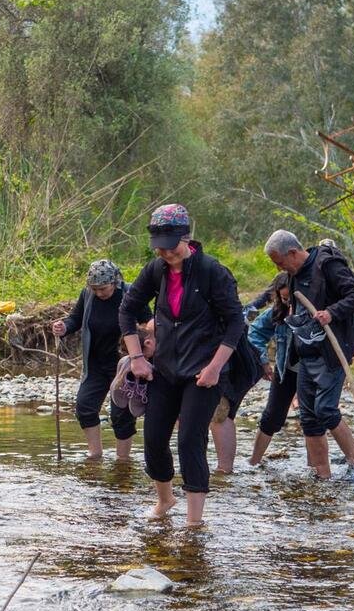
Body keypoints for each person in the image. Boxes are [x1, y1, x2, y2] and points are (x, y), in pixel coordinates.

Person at [119, 204, 245, 526]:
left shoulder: (212, 272)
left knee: (190, 439)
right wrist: (136, 358)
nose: (165, 252)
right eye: (159, 246)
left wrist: (216, 367)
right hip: (164, 369)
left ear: (186, 238)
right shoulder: (155, 270)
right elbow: (127, 310)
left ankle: (194, 521)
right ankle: (165, 499)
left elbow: (234, 323)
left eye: (171, 245)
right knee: (153, 439)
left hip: (202, 372)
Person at [265, 229, 354, 482]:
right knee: (308, 416)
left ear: (292, 252)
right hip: (306, 352)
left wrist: (331, 312)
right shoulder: (293, 275)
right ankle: (322, 475)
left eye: (280, 262)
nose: (280, 267)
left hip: (332, 351)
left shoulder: (327, 264)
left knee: (326, 410)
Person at [51, 259, 151, 461]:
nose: (99, 293)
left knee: (121, 415)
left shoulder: (130, 294)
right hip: (95, 364)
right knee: (84, 407)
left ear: (115, 282)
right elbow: (75, 319)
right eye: (94, 288)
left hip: (124, 366)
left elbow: (147, 323)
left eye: (103, 289)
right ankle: (94, 454)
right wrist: (63, 328)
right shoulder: (87, 295)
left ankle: (123, 460)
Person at [246, 273, 298, 465]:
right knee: (271, 417)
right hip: (285, 370)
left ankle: (317, 468)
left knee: (314, 421)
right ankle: (254, 461)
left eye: (292, 299)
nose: (289, 304)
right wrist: (264, 360)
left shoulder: (314, 309)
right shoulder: (277, 312)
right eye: (284, 299)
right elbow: (255, 332)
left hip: (313, 373)